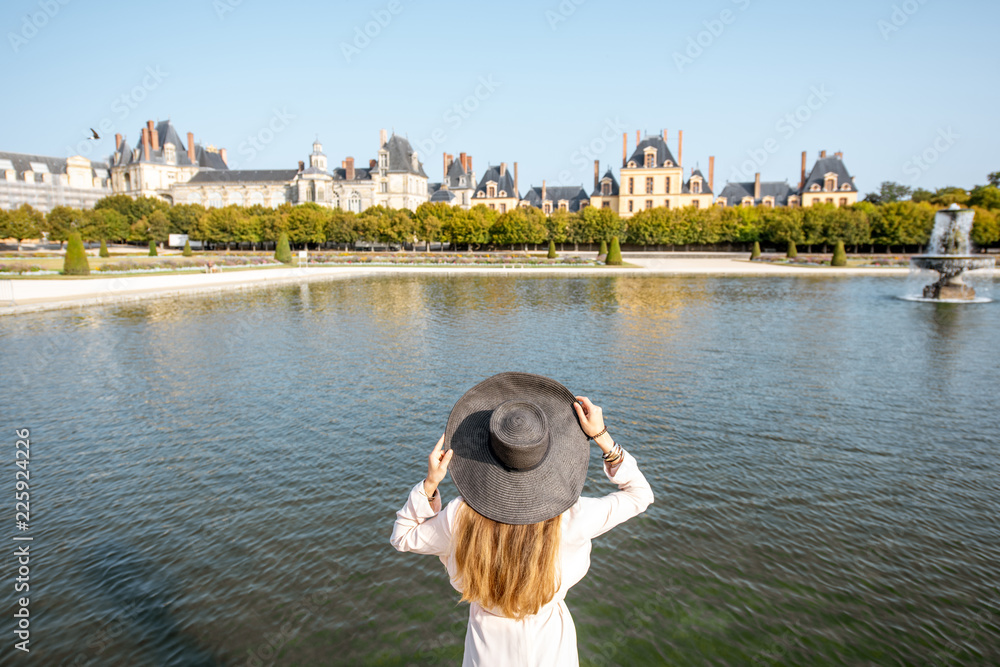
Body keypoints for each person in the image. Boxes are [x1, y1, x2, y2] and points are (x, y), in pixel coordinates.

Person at [390, 372, 654, 666]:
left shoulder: (459, 517)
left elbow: (402, 536)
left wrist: (430, 484)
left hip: (486, 653)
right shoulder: (573, 517)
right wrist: (601, 436)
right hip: (552, 651)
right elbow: (640, 495)